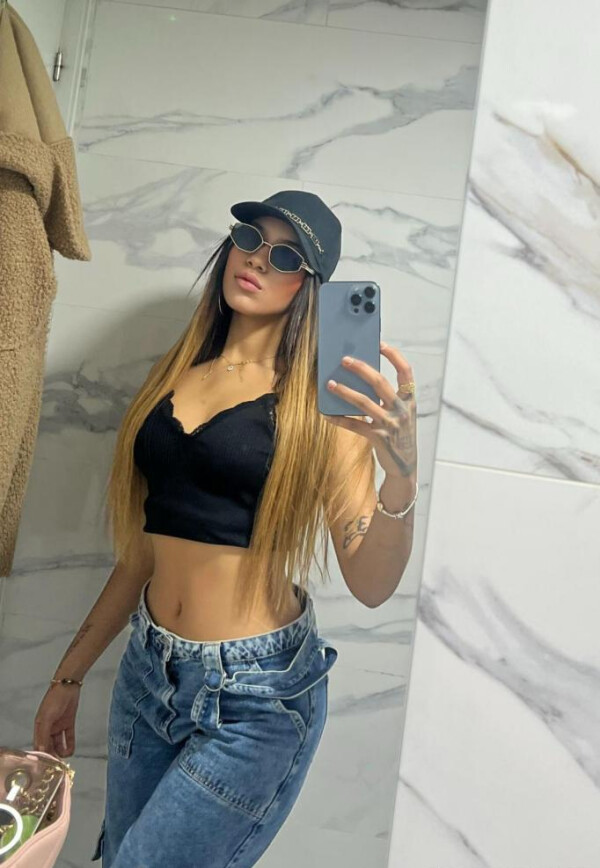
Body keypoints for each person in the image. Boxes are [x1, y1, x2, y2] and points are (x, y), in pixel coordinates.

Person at [32, 190, 419, 867]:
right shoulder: (175, 376)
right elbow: (141, 554)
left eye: (287, 257)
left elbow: (371, 583)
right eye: (249, 238)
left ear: (310, 288)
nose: (259, 260)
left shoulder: (324, 409)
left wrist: (401, 476)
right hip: (148, 672)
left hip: (255, 698)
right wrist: (68, 678)